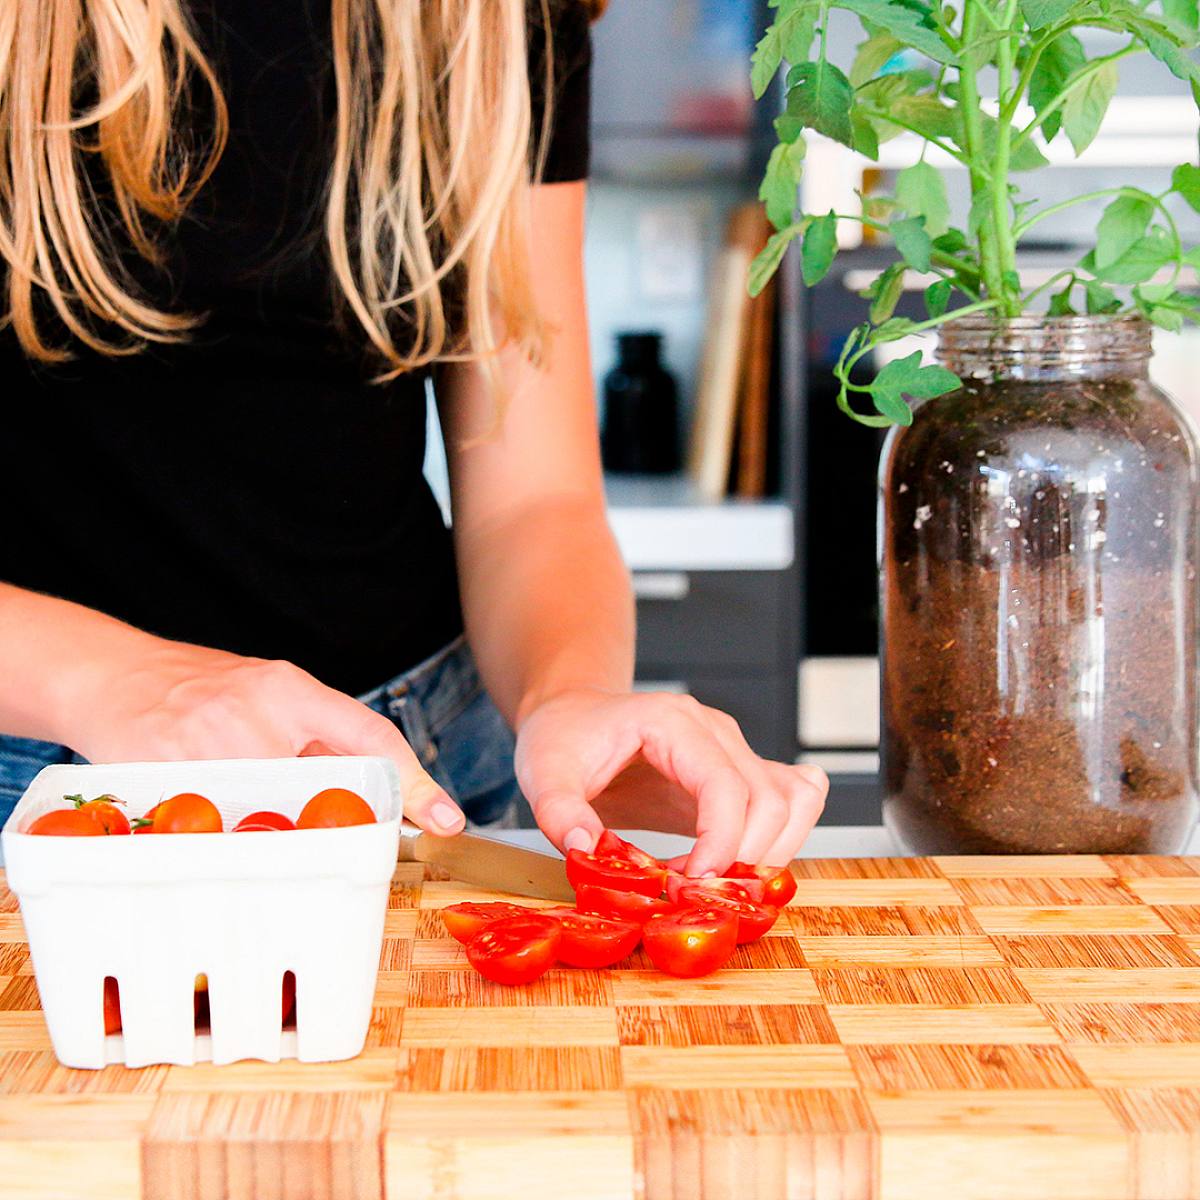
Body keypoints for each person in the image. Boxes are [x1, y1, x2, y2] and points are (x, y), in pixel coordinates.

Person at [0, 0, 826, 874]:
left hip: (420, 761)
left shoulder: (494, 22)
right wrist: (109, 680)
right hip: (26, 775)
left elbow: (537, 502)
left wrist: (568, 696)